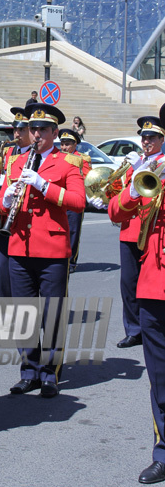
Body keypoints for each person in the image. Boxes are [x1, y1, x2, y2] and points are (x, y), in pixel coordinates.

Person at [0, 103, 86, 398]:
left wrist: (45, 186)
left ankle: (50, 373)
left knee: (51, 314)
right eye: (32, 129)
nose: (36, 134)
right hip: (19, 245)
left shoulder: (68, 163)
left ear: (54, 133)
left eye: (43, 130)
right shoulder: (16, 162)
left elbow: (78, 201)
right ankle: (29, 371)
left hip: (51, 250)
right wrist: (6, 200)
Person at [108, 105, 165, 484]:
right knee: (160, 378)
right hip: (155, 284)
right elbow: (114, 211)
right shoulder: (153, 168)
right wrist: (132, 186)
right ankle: (163, 451)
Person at [107, 116, 165, 349]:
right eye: (144, 136)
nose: (146, 140)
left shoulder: (161, 163)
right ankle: (134, 329)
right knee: (128, 283)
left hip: (152, 231)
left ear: (162, 139)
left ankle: (151, 324)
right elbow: (120, 193)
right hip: (130, 230)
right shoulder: (138, 161)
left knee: (151, 282)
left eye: (152, 137)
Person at [0, 107, 31, 297]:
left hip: (20, 216)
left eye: (22, 130)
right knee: (1, 268)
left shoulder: (34, 155)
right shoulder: (7, 151)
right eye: (15, 129)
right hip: (2, 214)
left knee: (19, 272)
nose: (17, 134)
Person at [58, 128, 91, 273]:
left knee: (73, 231)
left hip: (74, 199)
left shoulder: (82, 159)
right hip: (59, 198)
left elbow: (87, 178)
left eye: (68, 144)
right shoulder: (58, 157)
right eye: (62, 144)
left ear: (75, 144)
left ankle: (71, 261)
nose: (64, 147)